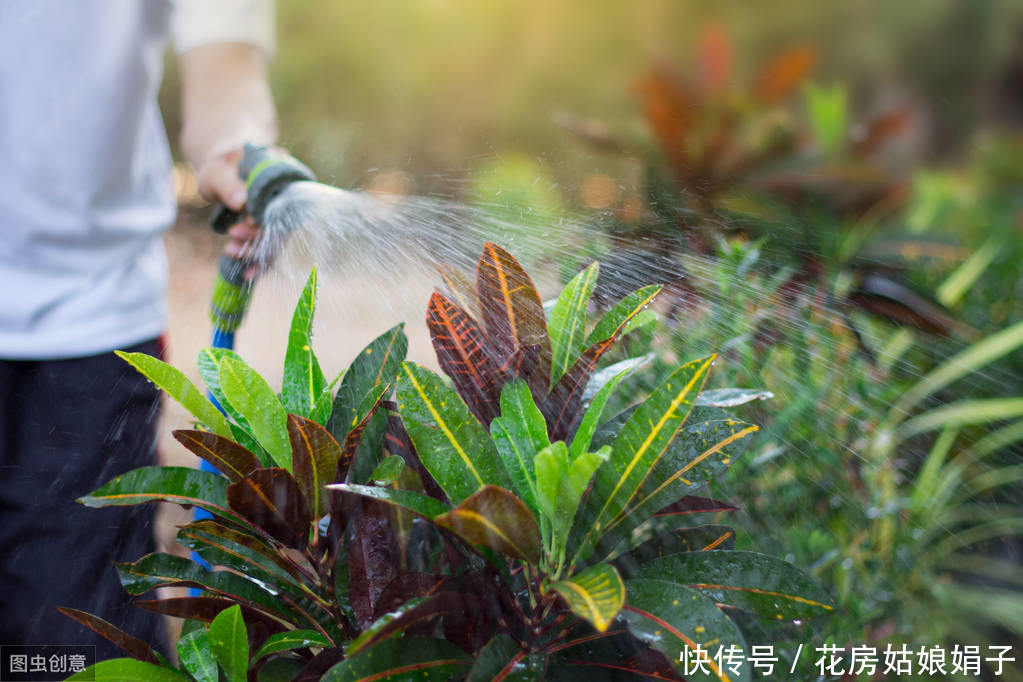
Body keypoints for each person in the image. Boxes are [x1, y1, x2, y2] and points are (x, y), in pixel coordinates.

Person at [0, 0, 278, 657]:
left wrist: (240, 153)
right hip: (89, 306)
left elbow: (225, 56)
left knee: (74, 651)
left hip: (87, 321)